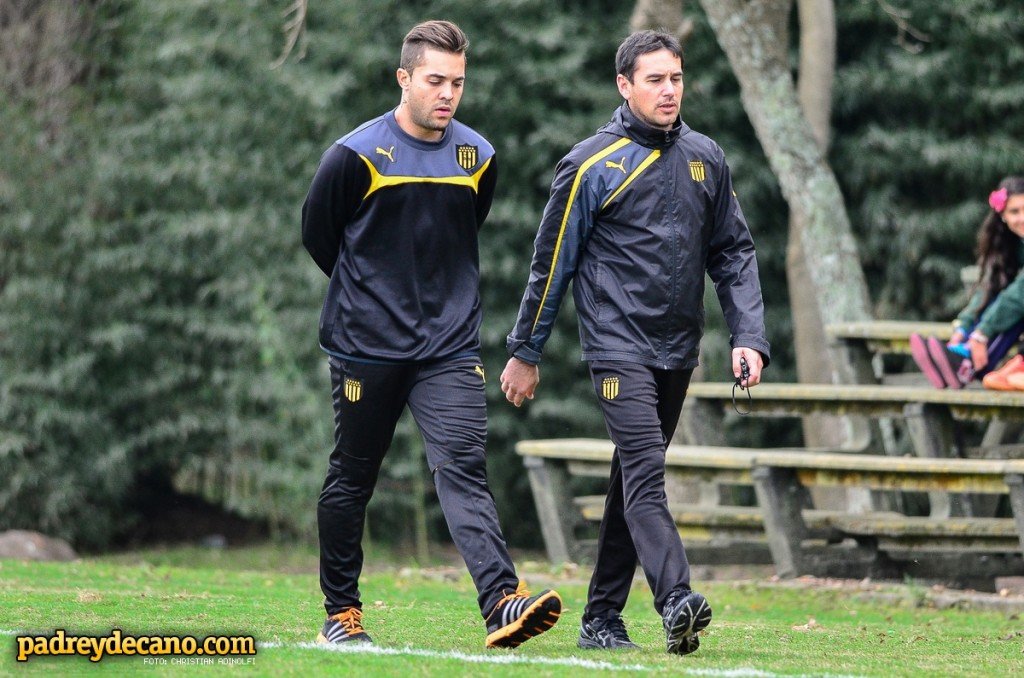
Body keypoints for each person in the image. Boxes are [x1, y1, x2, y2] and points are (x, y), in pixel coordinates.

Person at [500, 30, 770, 655]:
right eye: (655, 79)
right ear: (625, 86)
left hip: (679, 348)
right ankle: (676, 597)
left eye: (676, 78)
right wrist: (525, 350)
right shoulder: (591, 164)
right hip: (617, 346)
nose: (669, 90)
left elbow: (733, 252)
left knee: (630, 477)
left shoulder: (707, 157)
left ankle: (600, 619)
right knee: (647, 472)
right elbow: (552, 265)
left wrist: (748, 336)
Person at [301, 20, 561, 649]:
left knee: (464, 469)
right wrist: (373, 297)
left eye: (458, 83)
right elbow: (319, 236)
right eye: (436, 81)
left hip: (447, 349)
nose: (448, 93)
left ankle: (501, 602)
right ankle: (343, 613)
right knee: (352, 477)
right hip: (366, 350)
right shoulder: (355, 155)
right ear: (405, 79)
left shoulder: (479, 156)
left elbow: (468, 224)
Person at [910, 177, 1024, 390]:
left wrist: (982, 334)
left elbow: (1020, 293)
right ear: (1003, 217)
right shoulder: (1012, 245)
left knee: (1013, 304)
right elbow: (990, 287)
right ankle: (959, 355)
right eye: (1014, 212)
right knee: (999, 297)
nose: (1022, 218)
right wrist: (963, 326)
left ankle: (967, 362)